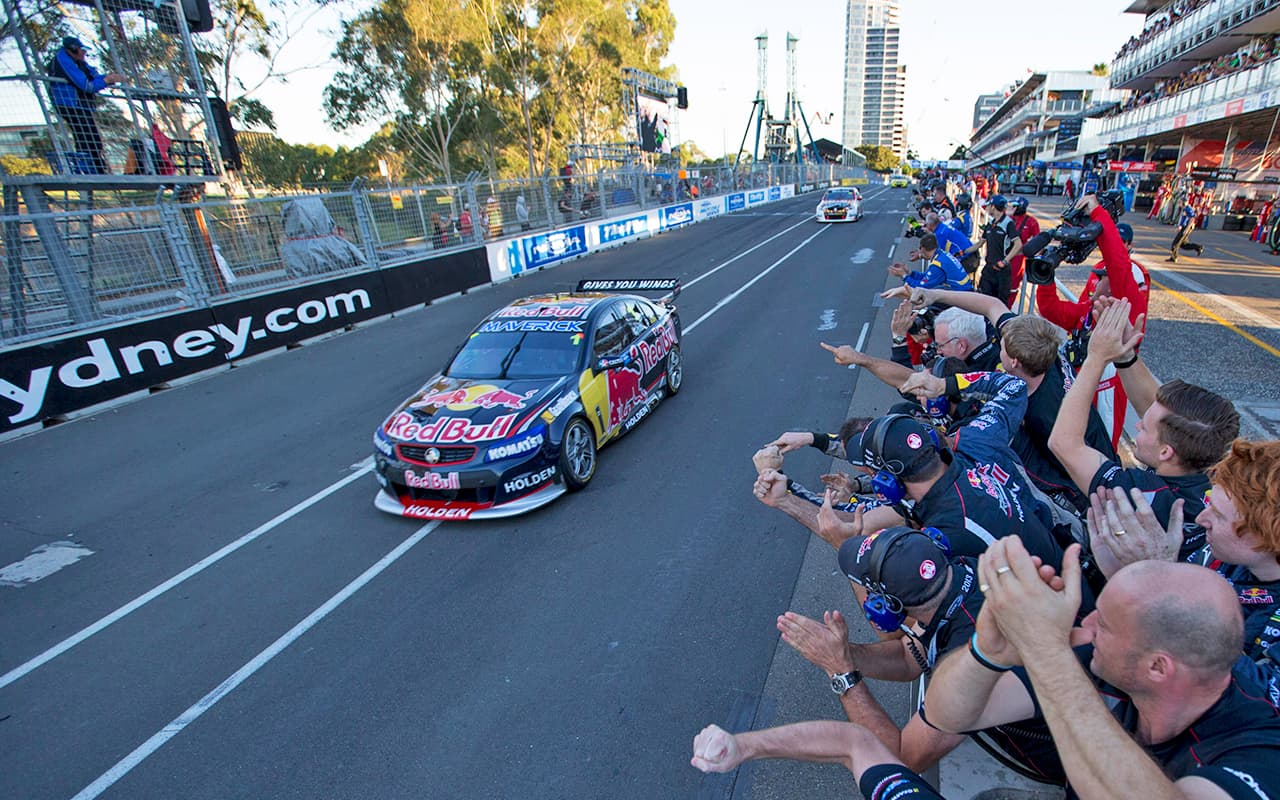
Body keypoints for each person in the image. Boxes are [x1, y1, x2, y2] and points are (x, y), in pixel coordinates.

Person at [923, 538, 1280, 800]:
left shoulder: (1260, 752)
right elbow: (947, 715)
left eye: (1105, 624)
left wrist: (1044, 648)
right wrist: (988, 650)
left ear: (1157, 667)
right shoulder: (1108, 661)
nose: (1087, 624)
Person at [772, 527, 1066, 780]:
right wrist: (844, 654)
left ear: (888, 607)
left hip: (1070, 768)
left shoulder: (969, 663)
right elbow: (907, 655)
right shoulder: (965, 573)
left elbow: (902, 759)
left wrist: (841, 672)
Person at [1048, 300, 1240, 563]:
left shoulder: (1145, 494)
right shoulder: (1213, 467)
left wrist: (1096, 358)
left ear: (1166, 452)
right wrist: (1124, 356)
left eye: (1145, 427)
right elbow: (1162, 413)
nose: (1138, 423)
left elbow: (1064, 444)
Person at [1088, 439, 1280, 665]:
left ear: (1266, 534)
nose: (1201, 519)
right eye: (1209, 504)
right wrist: (1123, 577)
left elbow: (1232, 688)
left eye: (1218, 515)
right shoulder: (1222, 555)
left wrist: (1161, 581)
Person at [48, 36, 123, 174]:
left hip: (81, 104)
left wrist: (108, 78)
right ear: (72, 50)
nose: (84, 53)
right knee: (85, 136)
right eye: (81, 50)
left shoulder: (79, 62)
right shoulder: (63, 60)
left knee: (91, 137)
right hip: (70, 104)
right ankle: (89, 169)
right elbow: (86, 85)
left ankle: (95, 168)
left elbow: (93, 76)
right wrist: (106, 81)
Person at [968, 195, 1023, 307]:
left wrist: (1005, 261)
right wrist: (962, 252)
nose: (987, 208)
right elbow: (980, 243)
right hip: (989, 269)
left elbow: (1018, 244)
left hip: (1001, 271)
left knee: (1000, 305)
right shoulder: (991, 223)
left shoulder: (1008, 224)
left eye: (989, 205)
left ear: (993, 206)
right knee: (984, 301)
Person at [889, 233, 972, 292]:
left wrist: (904, 276)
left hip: (960, 295)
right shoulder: (942, 254)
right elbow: (926, 277)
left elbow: (921, 287)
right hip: (965, 290)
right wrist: (910, 273)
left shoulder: (937, 266)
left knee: (927, 298)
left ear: (923, 249)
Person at [1006, 196, 1040, 308]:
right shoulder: (1009, 219)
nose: (1012, 209)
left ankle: (1008, 306)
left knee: (1013, 284)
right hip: (1006, 254)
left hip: (1018, 258)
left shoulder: (1031, 222)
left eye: (1015, 206)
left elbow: (1038, 241)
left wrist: (1028, 251)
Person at [1168, 183, 1205, 262]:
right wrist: (1179, 226)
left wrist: (1186, 229)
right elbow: (1183, 219)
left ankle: (1174, 257)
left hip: (1187, 228)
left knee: (1175, 244)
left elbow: (1192, 219)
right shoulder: (1185, 209)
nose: (1179, 204)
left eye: (1180, 202)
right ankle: (1198, 247)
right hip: (1184, 227)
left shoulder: (1188, 209)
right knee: (1184, 245)